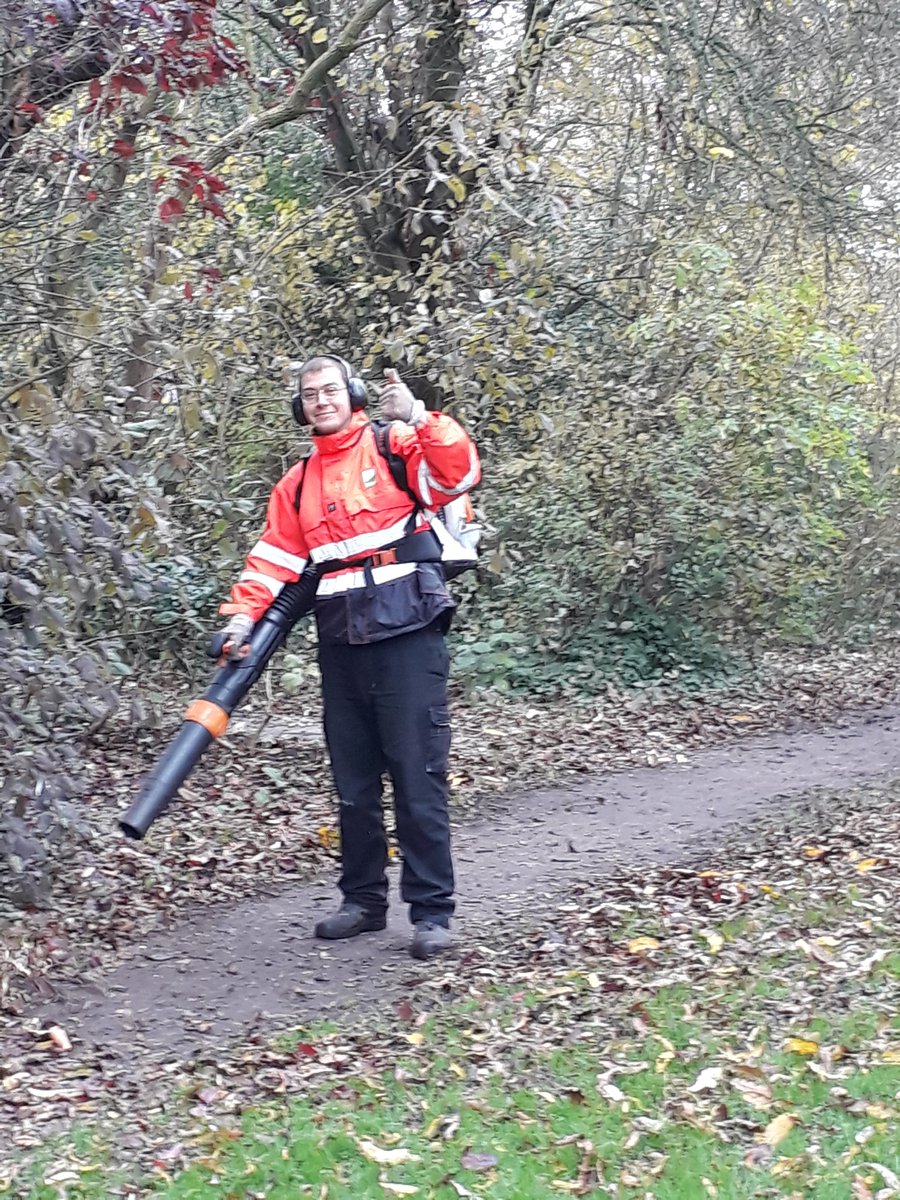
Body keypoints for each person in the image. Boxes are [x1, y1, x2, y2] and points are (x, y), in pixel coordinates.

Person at [216, 354, 481, 960]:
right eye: (310, 394)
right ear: (300, 407)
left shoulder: (395, 446)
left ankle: (432, 911)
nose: (321, 401)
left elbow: (457, 474)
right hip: (340, 642)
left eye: (330, 390)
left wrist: (418, 415)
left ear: (352, 394)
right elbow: (273, 562)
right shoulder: (298, 483)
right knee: (354, 787)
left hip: (409, 632)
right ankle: (363, 902)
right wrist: (240, 617)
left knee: (418, 778)